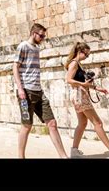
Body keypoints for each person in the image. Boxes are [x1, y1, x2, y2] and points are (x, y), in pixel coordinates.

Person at [65, 42, 109, 158]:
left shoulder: (77, 64)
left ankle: (74, 151)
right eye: (86, 55)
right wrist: (83, 83)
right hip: (79, 95)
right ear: (80, 52)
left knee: (82, 123)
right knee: (98, 123)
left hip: (77, 95)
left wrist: (96, 88)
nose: (87, 57)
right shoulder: (74, 64)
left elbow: (79, 82)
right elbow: (68, 80)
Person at [13, 23, 68, 158]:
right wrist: (20, 89)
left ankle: (63, 156)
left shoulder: (36, 49)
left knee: (52, 123)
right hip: (26, 92)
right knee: (27, 126)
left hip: (39, 91)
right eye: (41, 35)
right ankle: (21, 157)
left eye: (44, 36)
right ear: (34, 33)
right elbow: (15, 67)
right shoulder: (23, 46)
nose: (43, 38)